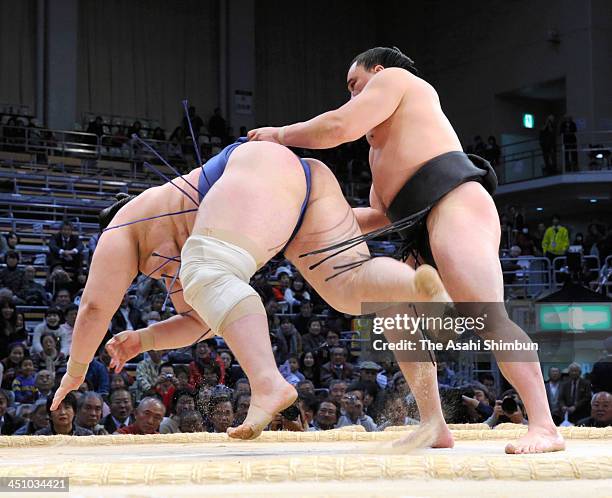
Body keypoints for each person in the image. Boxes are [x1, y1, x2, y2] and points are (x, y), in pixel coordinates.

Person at [248, 46, 565, 453]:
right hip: (416, 227)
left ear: (377, 71)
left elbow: (337, 126)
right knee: (392, 308)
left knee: (485, 314)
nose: (352, 96)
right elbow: (379, 215)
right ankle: (434, 424)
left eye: (354, 84)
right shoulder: (378, 152)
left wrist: (280, 135)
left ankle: (544, 424)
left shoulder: (397, 80)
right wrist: (300, 223)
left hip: (455, 201)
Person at [51, 136, 448, 442]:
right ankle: (414, 288)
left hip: (256, 163)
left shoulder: (120, 228)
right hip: (299, 188)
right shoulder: (175, 259)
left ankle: (268, 383)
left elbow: (94, 309)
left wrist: (75, 371)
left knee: (206, 269)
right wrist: (145, 339)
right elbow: (204, 323)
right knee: (352, 287)